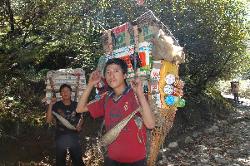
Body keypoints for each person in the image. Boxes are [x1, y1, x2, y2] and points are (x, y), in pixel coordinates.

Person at [76, 58, 155, 166]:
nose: (111, 75)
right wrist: (90, 84)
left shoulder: (136, 95)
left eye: (116, 71)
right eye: (108, 72)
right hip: (111, 159)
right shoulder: (106, 98)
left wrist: (140, 94)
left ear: (124, 75)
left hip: (136, 160)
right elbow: (79, 109)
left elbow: (150, 125)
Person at [46, 84, 85, 166]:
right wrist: (50, 105)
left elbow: (81, 118)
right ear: (60, 94)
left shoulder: (76, 105)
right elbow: (48, 120)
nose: (65, 92)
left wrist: (79, 126)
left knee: (78, 161)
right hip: (60, 136)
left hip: (74, 136)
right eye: (63, 91)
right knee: (60, 162)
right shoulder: (56, 105)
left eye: (67, 90)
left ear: (71, 93)